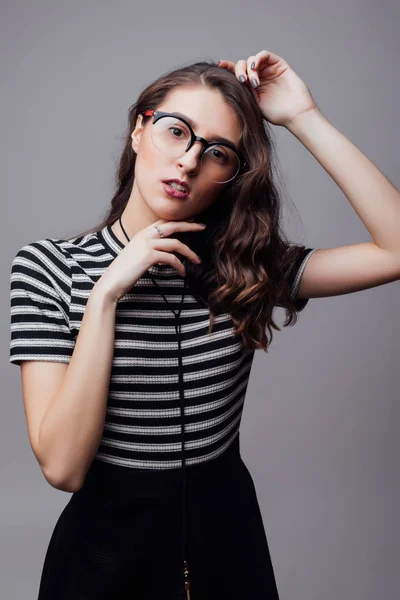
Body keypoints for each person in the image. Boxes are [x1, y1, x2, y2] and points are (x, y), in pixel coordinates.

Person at [9, 51, 400, 600]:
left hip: (228, 543)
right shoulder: (48, 268)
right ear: (138, 130)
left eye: (217, 152)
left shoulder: (244, 266)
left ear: (230, 177)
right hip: (105, 559)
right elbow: (64, 467)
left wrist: (302, 115)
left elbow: (397, 249)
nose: (189, 161)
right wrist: (105, 297)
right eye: (176, 131)